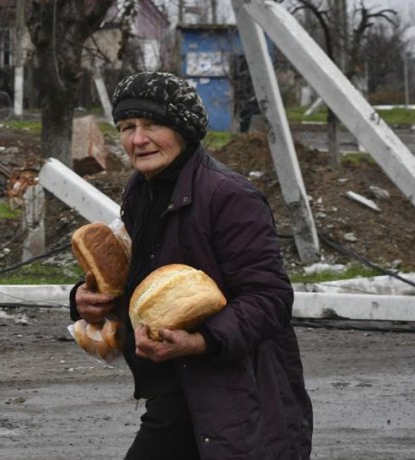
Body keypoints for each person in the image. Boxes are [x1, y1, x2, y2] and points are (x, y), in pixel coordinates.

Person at [69, 72, 313, 459]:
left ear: (184, 129)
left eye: (153, 124)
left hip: (230, 393)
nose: (137, 138)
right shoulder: (141, 188)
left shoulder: (229, 196)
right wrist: (85, 298)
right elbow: (146, 279)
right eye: (127, 126)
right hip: (176, 391)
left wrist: (200, 340)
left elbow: (270, 299)